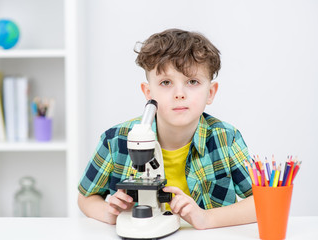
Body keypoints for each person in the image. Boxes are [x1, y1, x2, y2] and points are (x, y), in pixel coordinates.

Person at [78, 28, 256, 229]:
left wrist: (207, 218)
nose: (179, 93)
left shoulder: (226, 139)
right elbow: (85, 197)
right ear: (148, 92)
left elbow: (262, 202)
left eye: (192, 81)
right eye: (165, 82)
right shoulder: (115, 140)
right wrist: (109, 213)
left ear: (210, 93)